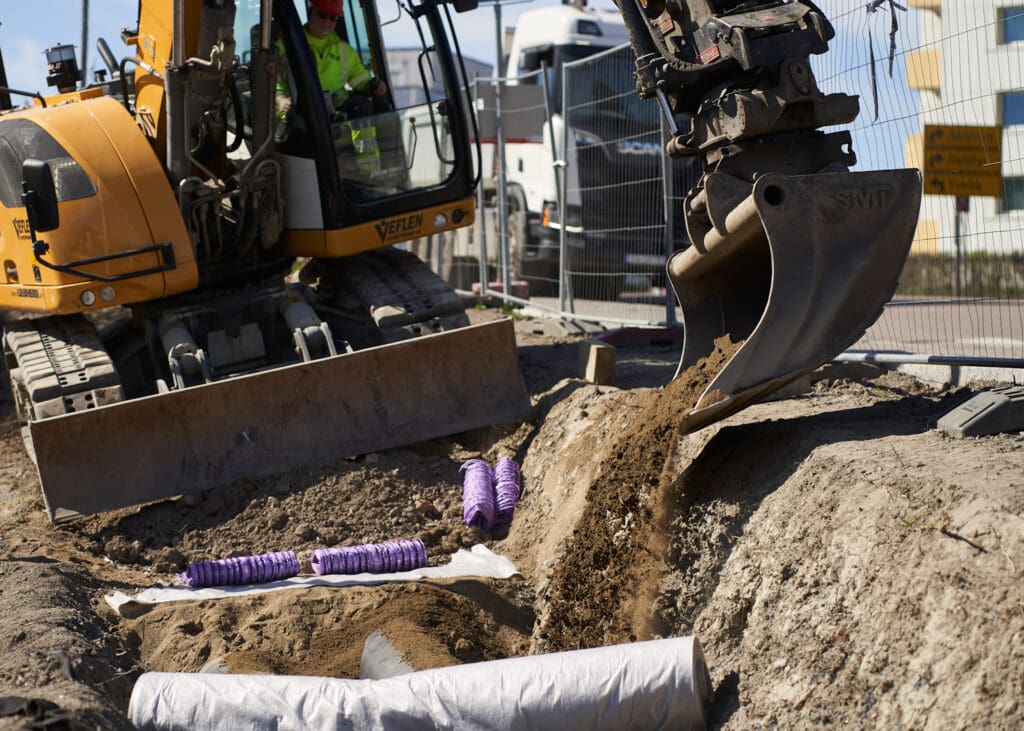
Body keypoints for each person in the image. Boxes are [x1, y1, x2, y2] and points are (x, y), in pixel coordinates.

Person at [276, 0, 388, 122]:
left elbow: (359, 78)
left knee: (361, 105)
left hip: (338, 116)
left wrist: (372, 86)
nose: (327, 22)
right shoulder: (287, 45)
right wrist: (279, 97)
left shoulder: (343, 49)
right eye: (322, 15)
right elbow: (271, 78)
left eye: (333, 18)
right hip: (302, 117)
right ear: (310, 13)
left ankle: (364, 142)